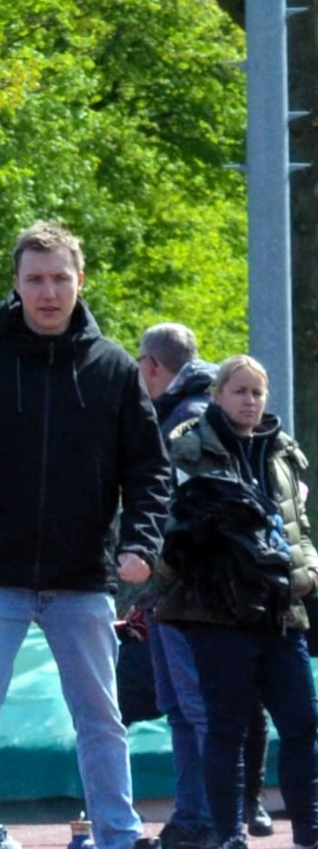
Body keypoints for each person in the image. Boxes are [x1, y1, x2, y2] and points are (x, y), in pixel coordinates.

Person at [0, 221, 170, 849]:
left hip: (83, 578)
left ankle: (119, 834)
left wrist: (140, 543)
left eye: (60, 278)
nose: (48, 292)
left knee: (102, 722)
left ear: (79, 281)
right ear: (16, 285)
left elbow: (149, 469)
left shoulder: (114, 367)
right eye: (35, 279)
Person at [155, 354, 318, 849]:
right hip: (217, 611)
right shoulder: (188, 450)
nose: (249, 401)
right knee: (227, 727)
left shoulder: (283, 452)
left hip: (279, 608)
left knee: (302, 721)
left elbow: (300, 529)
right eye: (239, 391)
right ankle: (231, 834)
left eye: (257, 393)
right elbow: (167, 526)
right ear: (218, 395)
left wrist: (306, 571)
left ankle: (309, 832)